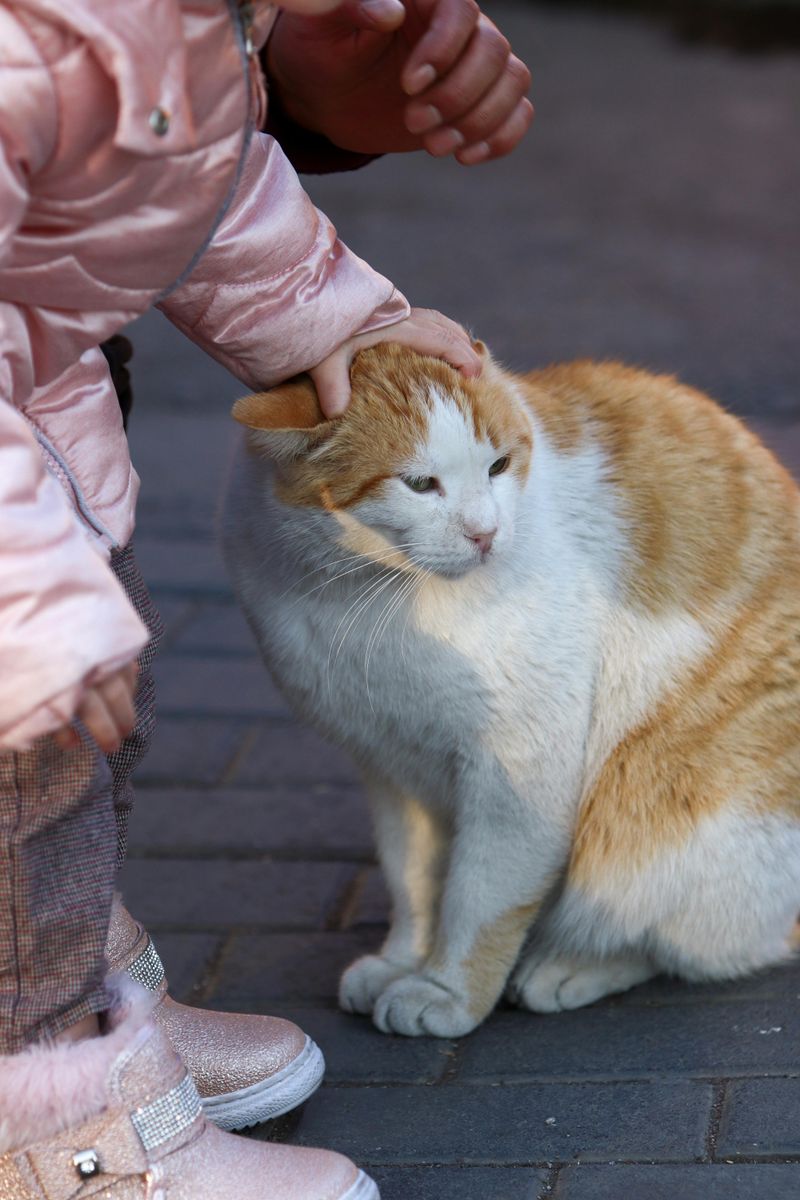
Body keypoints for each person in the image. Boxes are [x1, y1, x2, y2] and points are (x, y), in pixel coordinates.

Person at [0, 2, 532, 1198]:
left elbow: (200, 162)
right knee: (25, 780)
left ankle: (78, 987)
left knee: (88, 756)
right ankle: (48, 1123)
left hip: (47, 420)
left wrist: (341, 320)